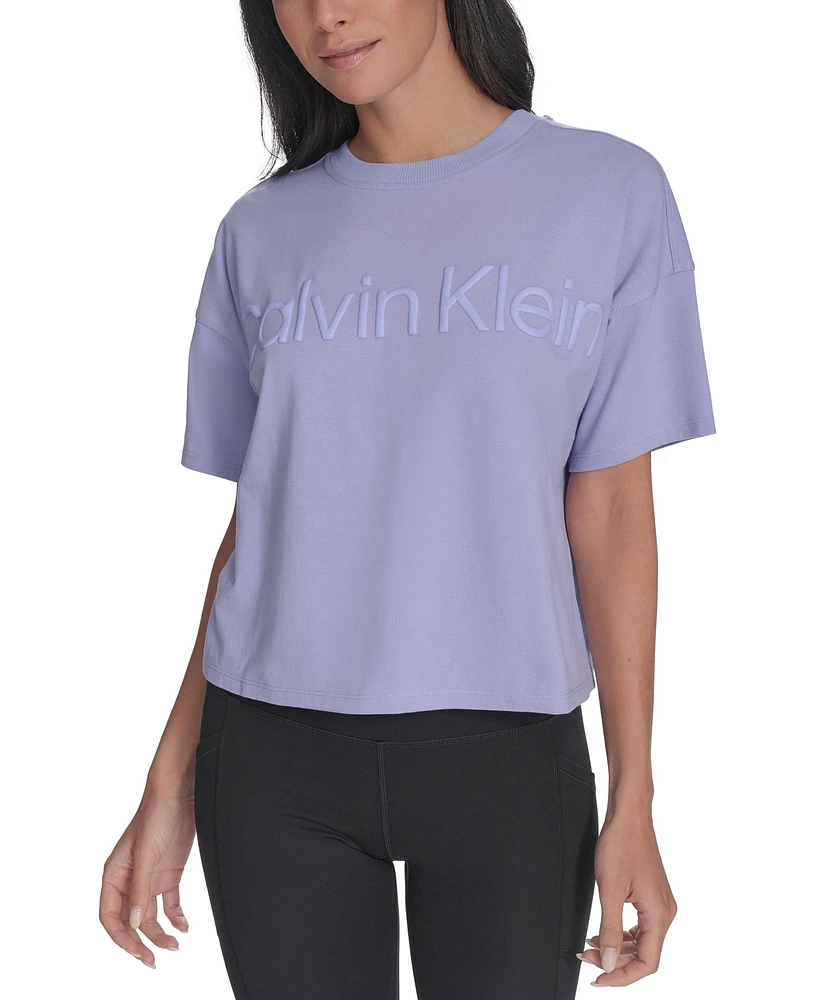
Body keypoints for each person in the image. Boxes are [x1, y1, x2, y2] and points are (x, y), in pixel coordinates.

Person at [99, 1, 716, 996]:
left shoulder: (608, 192)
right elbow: (264, 523)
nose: (326, 15)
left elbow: (611, 511)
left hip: (508, 766)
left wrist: (634, 794)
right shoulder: (261, 230)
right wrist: (167, 781)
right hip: (270, 766)